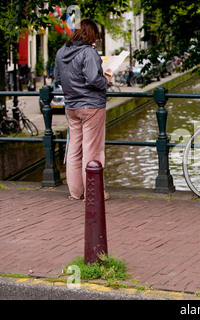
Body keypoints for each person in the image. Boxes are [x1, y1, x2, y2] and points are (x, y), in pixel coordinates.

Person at [54, 19, 110, 200]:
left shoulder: (61, 52)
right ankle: (94, 194)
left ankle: (76, 192)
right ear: (92, 34)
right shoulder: (89, 52)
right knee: (92, 150)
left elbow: (58, 78)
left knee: (74, 150)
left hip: (71, 106)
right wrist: (106, 80)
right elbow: (94, 79)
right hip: (91, 106)